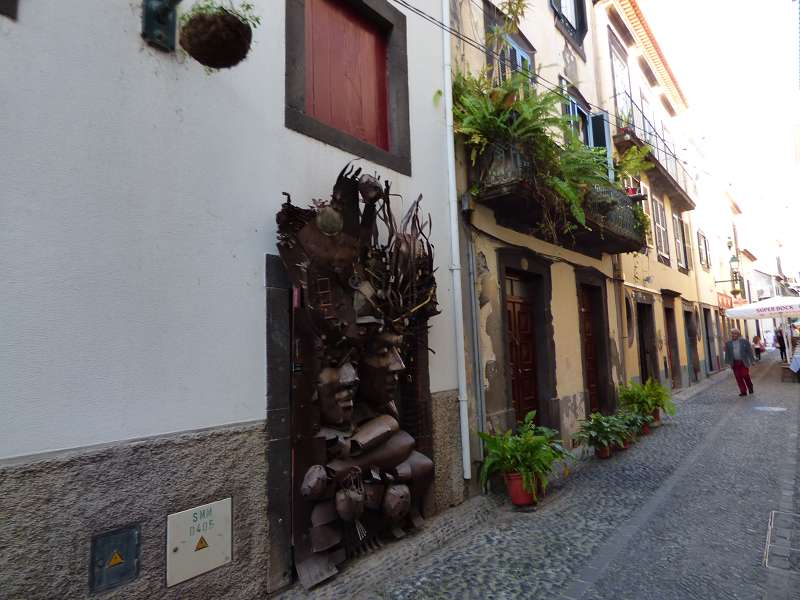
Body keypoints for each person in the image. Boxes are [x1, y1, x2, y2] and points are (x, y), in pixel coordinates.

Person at [725, 329, 755, 396]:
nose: (733, 335)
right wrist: (728, 362)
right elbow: (727, 353)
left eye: (735, 333)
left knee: (745, 374)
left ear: (738, 334)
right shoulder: (728, 343)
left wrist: (752, 360)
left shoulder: (744, 342)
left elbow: (749, 352)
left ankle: (750, 386)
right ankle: (743, 391)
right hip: (735, 363)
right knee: (738, 377)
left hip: (743, 362)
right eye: (732, 333)